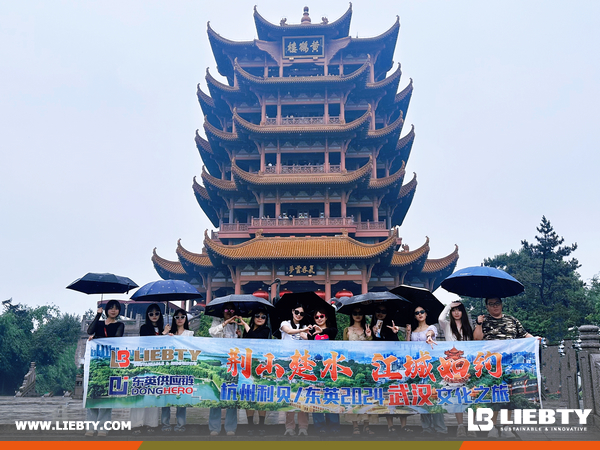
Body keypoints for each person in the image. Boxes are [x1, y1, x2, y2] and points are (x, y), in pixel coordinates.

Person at [473, 297, 537, 439]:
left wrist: (535, 339)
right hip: (492, 365)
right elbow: (476, 339)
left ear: (502, 304)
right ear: (487, 307)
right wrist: (478, 323)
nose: (495, 306)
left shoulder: (512, 320)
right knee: (495, 395)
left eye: (497, 303)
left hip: (511, 363)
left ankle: (507, 425)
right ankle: (493, 426)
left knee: (510, 394)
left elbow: (525, 335)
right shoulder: (484, 321)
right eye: (491, 304)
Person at [370, 305, 412, 434]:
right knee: (386, 394)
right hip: (383, 366)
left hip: (396, 364)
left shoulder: (391, 327)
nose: (381, 314)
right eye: (378, 311)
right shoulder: (372, 327)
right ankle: (390, 426)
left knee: (400, 393)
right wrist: (374, 333)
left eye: (384, 311)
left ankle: (403, 425)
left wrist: (395, 333)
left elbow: (397, 344)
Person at [85, 300, 124, 437]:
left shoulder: (120, 325)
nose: (113, 311)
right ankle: (91, 426)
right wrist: (97, 315)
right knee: (92, 393)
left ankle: (103, 427)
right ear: (106, 310)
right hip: (96, 362)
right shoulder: (99, 324)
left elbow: (116, 338)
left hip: (109, 362)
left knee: (106, 394)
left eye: (116, 308)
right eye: (111, 308)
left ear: (119, 311)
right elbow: (89, 330)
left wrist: (97, 338)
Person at [407, 305, 447, 436]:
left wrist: (428, 337)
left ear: (426, 314)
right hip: (417, 367)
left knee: (434, 396)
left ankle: (440, 427)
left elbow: (431, 333)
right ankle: (426, 427)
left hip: (430, 366)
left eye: (422, 312)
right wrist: (407, 333)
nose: (419, 314)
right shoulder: (413, 331)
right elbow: (407, 347)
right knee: (422, 397)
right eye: (417, 312)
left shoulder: (431, 328)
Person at [438, 301, 475, 437]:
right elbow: (440, 318)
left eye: (459, 310)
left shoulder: (468, 327)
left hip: (466, 364)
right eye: (454, 310)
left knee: (471, 394)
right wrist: (449, 306)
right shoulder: (447, 325)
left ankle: (473, 426)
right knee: (458, 396)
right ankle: (460, 426)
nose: (456, 313)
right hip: (452, 366)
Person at [132, 304, 168, 435]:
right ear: (147, 316)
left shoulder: (164, 329)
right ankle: (136, 424)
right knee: (140, 394)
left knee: (154, 394)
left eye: (157, 313)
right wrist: (162, 334)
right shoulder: (144, 328)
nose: (154, 316)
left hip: (158, 366)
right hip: (144, 363)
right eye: (151, 314)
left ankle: (151, 423)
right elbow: (147, 342)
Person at [303, 307, 340, 435]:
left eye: (321, 316)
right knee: (316, 395)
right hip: (315, 368)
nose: (319, 319)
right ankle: (319, 426)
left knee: (331, 394)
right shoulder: (311, 332)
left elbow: (332, 332)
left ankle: (334, 425)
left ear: (326, 317)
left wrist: (322, 330)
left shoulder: (331, 330)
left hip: (330, 368)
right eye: (316, 317)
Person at [208, 302, 242, 436]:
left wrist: (240, 334)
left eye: (232, 309)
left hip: (233, 363)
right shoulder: (217, 322)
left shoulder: (237, 325)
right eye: (227, 309)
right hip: (219, 362)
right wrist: (225, 323)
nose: (230, 311)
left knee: (232, 395)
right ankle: (214, 427)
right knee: (216, 394)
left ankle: (230, 427)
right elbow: (212, 333)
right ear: (222, 311)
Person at [279, 303, 312, 436]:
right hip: (288, 365)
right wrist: (301, 331)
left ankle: (303, 427)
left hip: (303, 365)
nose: (299, 315)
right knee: (289, 396)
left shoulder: (305, 327)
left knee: (302, 396)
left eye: (302, 314)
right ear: (292, 311)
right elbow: (288, 331)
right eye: (297, 312)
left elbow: (308, 340)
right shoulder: (284, 323)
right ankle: (290, 427)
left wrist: (307, 332)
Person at [161, 308, 193, 433]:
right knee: (166, 397)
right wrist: (165, 335)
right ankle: (165, 424)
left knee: (181, 397)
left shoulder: (190, 334)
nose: (180, 319)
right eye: (177, 317)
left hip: (183, 368)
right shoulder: (169, 334)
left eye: (182, 317)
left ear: (186, 319)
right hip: (169, 368)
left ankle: (180, 424)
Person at [343, 307, 374, 435]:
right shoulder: (347, 330)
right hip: (353, 367)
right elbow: (344, 348)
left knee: (367, 396)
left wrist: (369, 336)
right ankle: (355, 425)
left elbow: (372, 347)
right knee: (353, 396)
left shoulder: (368, 329)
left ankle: (367, 425)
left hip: (366, 367)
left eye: (360, 313)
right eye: (355, 313)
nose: (357, 315)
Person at [241, 307, 271, 436]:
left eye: (263, 317)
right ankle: (250, 425)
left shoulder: (266, 330)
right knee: (249, 396)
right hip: (248, 365)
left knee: (261, 396)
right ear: (253, 317)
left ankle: (262, 424)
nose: (260, 318)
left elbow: (255, 337)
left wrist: (245, 325)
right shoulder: (246, 330)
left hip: (261, 366)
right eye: (257, 315)